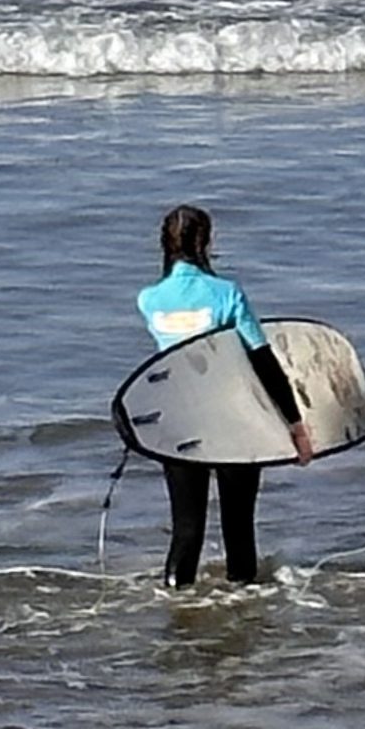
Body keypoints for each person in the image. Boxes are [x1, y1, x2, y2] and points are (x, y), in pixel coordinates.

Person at [136, 204, 314, 589]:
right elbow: (264, 362)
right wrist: (296, 426)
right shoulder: (227, 294)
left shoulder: (149, 300)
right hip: (236, 421)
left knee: (186, 528)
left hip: (179, 422)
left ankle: (176, 607)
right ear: (208, 242)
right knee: (239, 524)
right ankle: (242, 610)